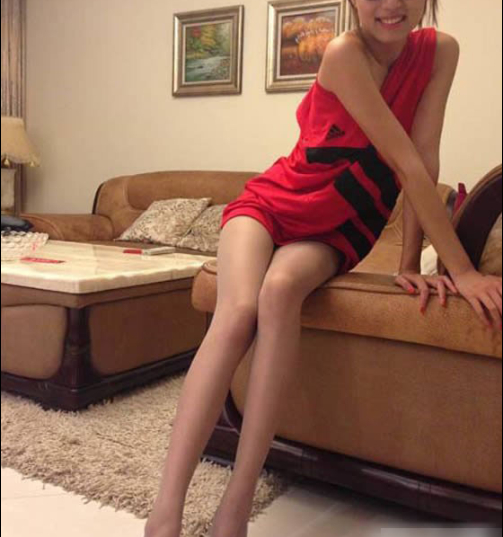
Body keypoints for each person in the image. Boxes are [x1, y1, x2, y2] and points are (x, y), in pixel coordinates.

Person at [145, 1, 503, 536]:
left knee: (281, 289)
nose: (390, 4)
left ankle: (234, 510)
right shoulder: (343, 54)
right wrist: (463, 270)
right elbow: (405, 163)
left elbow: (422, 159)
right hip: (275, 202)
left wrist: (412, 262)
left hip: (341, 223)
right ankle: (164, 515)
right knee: (237, 311)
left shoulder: (440, 52)